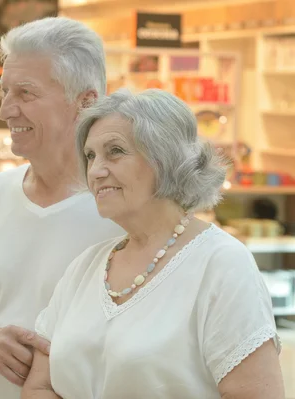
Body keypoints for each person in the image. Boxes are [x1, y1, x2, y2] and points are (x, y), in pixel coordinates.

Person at [22, 88, 285, 399]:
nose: (96, 170)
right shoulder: (86, 267)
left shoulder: (221, 265)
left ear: (164, 157)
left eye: (115, 151)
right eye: (90, 156)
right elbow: (39, 385)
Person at [0, 16, 124, 399]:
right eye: (4, 91)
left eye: (25, 93)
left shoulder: (125, 212)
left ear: (86, 102)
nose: (5, 111)